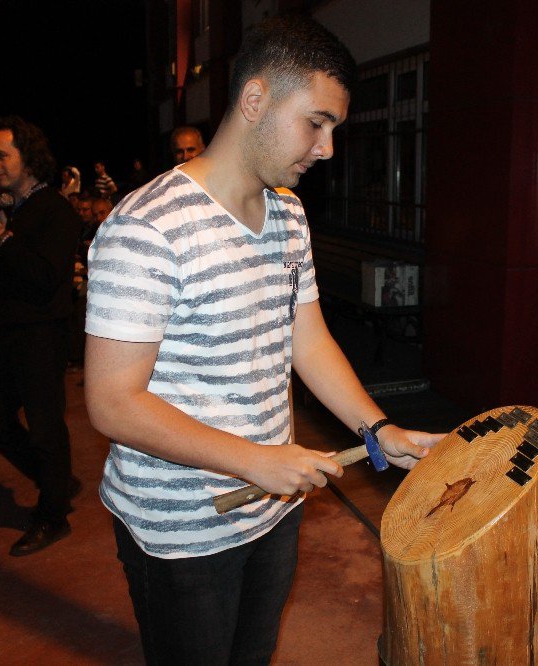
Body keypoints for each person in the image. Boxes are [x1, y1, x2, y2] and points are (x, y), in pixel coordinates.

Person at [83, 16, 443, 664]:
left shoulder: (287, 213)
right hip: (183, 530)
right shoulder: (145, 227)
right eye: (317, 122)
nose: (328, 148)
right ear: (255, 100)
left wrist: (377, 429)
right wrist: (254, 459)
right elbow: (111, 402)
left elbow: (307, 341)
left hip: (273, 509)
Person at [0, 115, 82, 557]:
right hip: (1, 333)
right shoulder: (3, 208)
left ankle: (53, 516)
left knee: (44, 427)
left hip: (40, 334)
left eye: (2, 155)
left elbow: (45, 276)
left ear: (28, 157)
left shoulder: (55, 210)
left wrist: (4, 240)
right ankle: (57, 480)